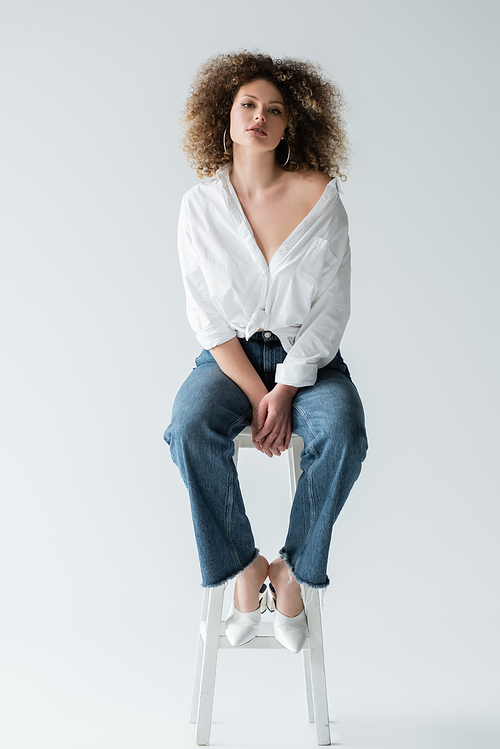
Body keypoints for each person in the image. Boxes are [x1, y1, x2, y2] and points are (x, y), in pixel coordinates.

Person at [164, 51, 368, 654]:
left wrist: (287, 387)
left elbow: (332, 310)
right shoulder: (199, 209)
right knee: (188, 425)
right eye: (248, 105)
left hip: (311, 360)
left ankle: (295, 573)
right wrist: (259, 393)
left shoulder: (321, 197)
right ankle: (246, 568)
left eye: (274, 110)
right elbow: (206, 317)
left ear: (289, 125)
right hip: (229, 362)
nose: (259, 117)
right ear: (223, 116)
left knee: (345, 433)